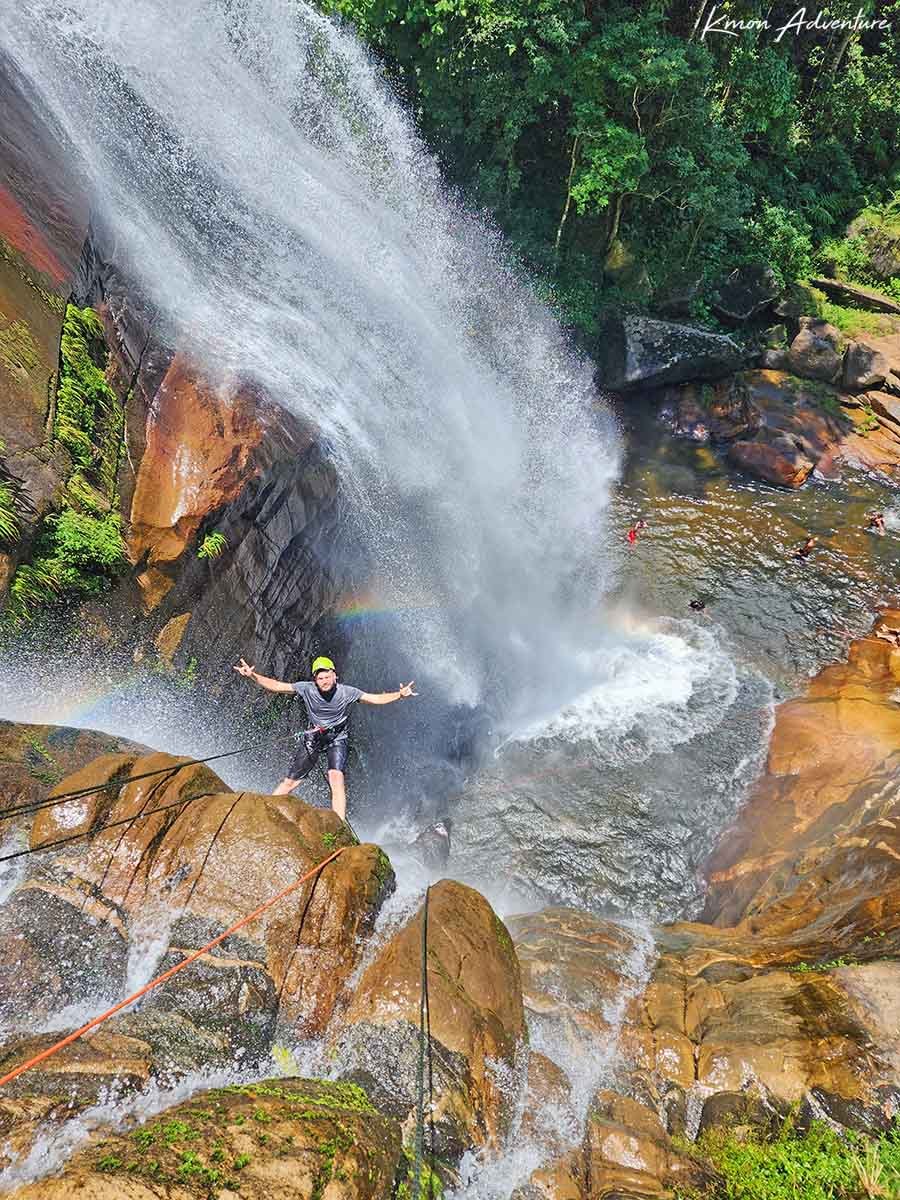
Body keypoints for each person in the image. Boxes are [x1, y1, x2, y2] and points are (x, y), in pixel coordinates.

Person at [234, 654, 416, 819]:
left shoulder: (347, 692)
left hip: (337, 738)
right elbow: (278, 686)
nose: (324, 681)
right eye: (320, 678)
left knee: (336, 778)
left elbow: (374, 699)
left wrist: (399, 695)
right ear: (315, 680)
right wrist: (253, 676)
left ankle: (339, 823)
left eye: (327, 676)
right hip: (314, 736)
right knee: (290, 782)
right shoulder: (307, 689)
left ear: (335, 675)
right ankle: (266, 811)